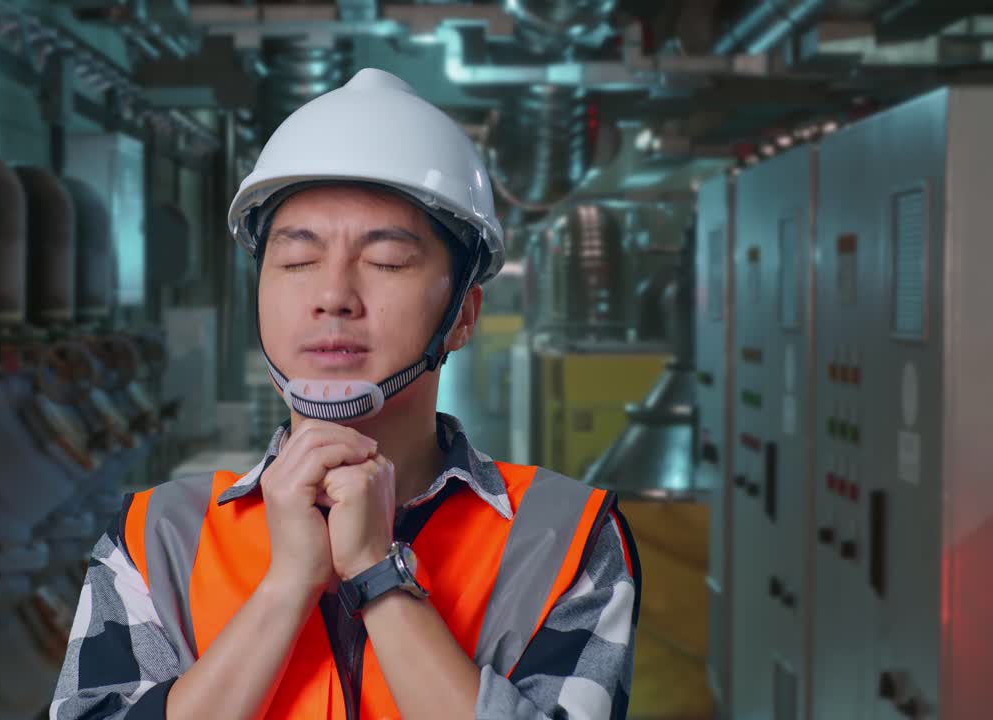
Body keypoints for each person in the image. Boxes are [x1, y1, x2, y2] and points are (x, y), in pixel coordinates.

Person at [50, 68, 642, 720]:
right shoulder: (156, 539)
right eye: (296, 261)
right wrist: (285, 587)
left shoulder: (564, 538)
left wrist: (377, 574)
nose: (333, 296)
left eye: (387, 261)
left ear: (463, 315)